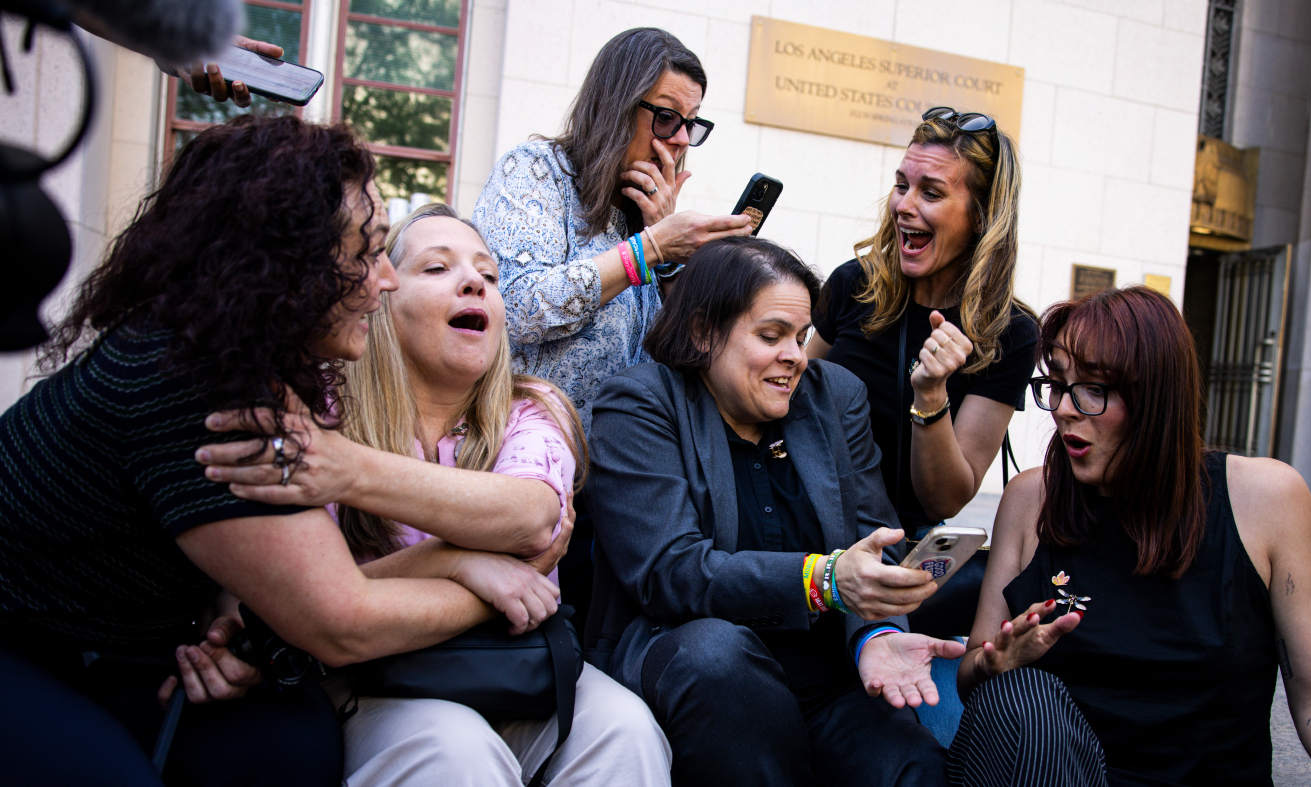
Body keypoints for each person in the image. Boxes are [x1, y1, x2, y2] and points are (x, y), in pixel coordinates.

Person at [0, 115, 507, 787]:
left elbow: (297, 584)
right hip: (23, 646)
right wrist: (481, 580)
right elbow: (340, 621)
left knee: (290, 740)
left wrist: (219, 626)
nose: (385, 280)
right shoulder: (194, 383)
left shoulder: (240, 359)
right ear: (286, 262)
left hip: (126, 648)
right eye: (365, 252)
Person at [195, 203, 672, 786]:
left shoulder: (532, 407)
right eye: (437, 268)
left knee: (626, 728)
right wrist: (458, 561)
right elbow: (284, 602)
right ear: (381, 297)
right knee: (453, 749)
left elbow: (529, 516)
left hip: (516, 662)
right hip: (371, 676)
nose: (474, 282)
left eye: (488, 274)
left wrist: (345, 469)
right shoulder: (320, 406)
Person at [950, 286, 1311, 787]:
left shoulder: (1267, 498)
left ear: (1156, 396)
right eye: (1056, 384)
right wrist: (995, 665)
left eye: (1093, 388)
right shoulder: (1031, 499)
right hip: (1055, 773)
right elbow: (973, 674)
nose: (1064, 409)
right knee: (1021, 700)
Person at [585, 236, 966, 787]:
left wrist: (877, 635)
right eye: (772, 336)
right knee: (718, 657)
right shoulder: (641, 403)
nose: (796, 356)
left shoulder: (834, 395)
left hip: (828, 675)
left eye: (802, 337)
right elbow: (671, 571)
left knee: (911, 765)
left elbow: (872, 538)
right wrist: (822, 579)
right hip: (699, 672)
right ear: (702, 331)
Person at [472, 26, 751, 438]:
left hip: (620, 463)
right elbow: (516, 309)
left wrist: (671, 259)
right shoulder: (536, 169)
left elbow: (685, 354)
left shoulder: (649, 215)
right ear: (616, 107)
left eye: (690, 124)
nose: (679, 139)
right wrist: (649, 248)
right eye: (667, 117)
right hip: (526, 454)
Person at [809, 107, 1038, 540]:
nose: (904, 206)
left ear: (981, 216)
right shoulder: (853, 284)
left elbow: (944, 500)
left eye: (930, 193)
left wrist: (931, 394)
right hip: (803, 528)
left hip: (894, 547)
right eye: (902, 186)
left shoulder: (1009, 332)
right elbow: (794, 396)